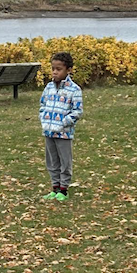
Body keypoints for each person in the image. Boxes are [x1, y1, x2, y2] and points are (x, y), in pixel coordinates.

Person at [39, 51, 83, 201]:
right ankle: (55, 187)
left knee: (65, 161)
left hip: (64, 133)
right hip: (49, 132)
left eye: (59, 69)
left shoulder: (74, 90)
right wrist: (44, 120)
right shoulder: (49, 87)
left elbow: (77, 112)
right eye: (53, 69)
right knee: (52, 161)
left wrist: (62, 123)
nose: (55, 72)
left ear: (68, 70)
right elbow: (42, 105)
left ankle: (63, 189)